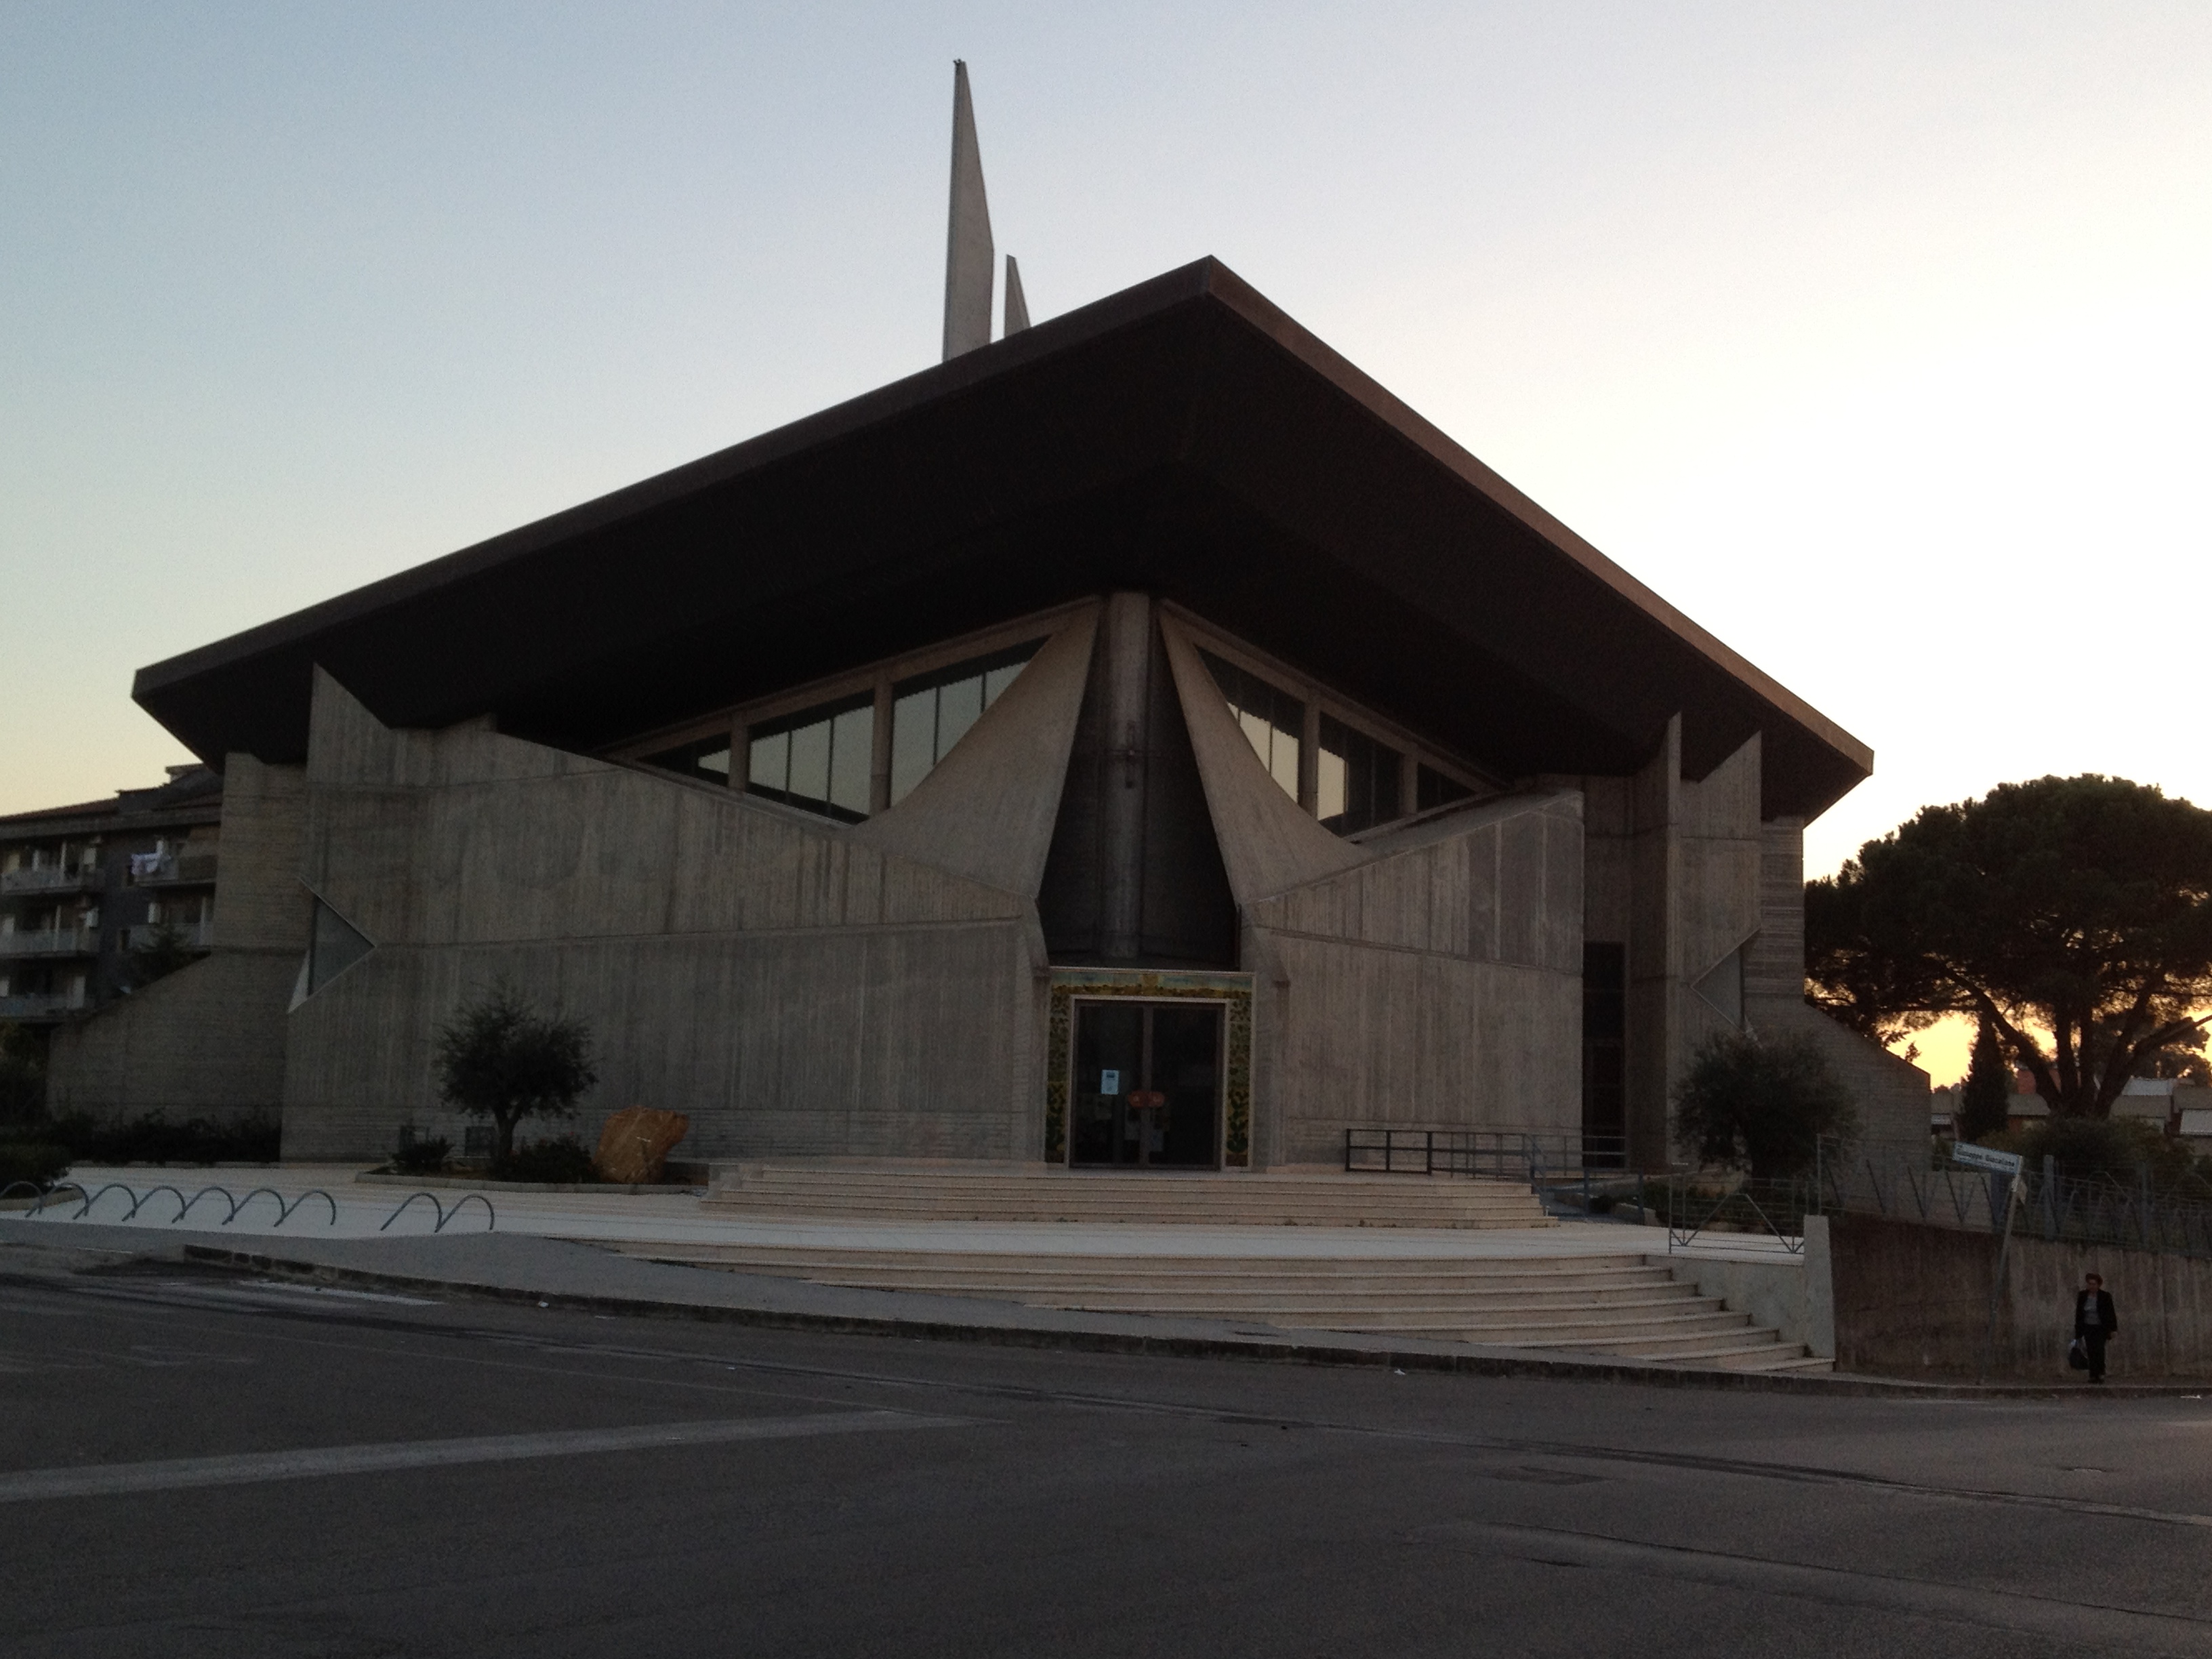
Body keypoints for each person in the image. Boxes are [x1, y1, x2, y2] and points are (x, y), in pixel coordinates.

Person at [2074, 1272, 2118, 1383]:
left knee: (2099, 1350)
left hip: (2100, 1328)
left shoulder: (2105, 1296)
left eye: (2094, 1284)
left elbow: (2111, 1313)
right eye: (2090, 1284)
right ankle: (2093, 1374)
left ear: (2098, 1285)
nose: (2091, 1286)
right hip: (2088, 1327)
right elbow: (2079, 1313)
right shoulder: (2083, 1296)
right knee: (2090, 1351)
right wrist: (2078, 1330)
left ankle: (2101, 1373)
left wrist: (2113, 1329)